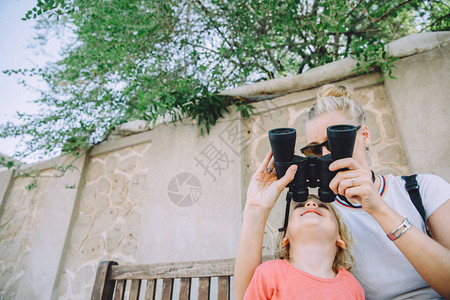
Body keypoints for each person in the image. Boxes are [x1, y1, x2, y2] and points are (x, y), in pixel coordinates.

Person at [235, 84, 450, 300]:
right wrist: (256, 209)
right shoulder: (323, 216)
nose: (327, 154)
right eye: (315, 150)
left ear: (364, 135)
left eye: (336, 141)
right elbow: (251, 294)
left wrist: (379, 209)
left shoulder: (422, 189)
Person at [243, 193, 365, 299]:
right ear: (285, 238)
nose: (311, 204)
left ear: (341, 239)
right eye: (299, 206)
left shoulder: (351, 286)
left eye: (323, 206)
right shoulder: (269, 273)